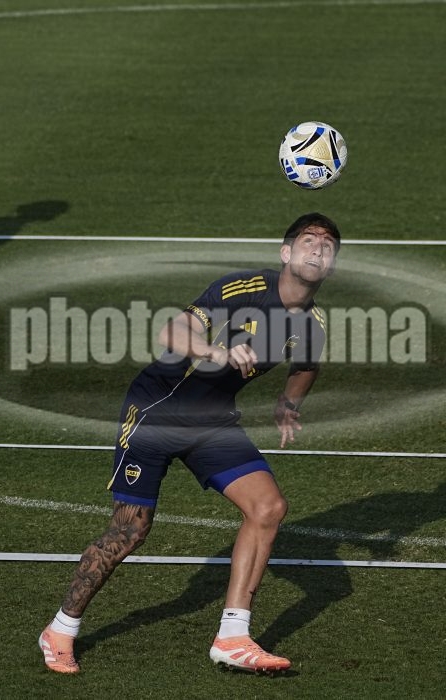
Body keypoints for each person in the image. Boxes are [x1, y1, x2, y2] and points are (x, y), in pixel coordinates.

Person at [39, 211, 341, 675]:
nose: (318, 248)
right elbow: (172, 331)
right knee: (130, 530)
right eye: (308, 240)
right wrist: (215, 350)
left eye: (327, 244)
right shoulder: (243, 290)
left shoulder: (313, 322)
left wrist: (288, 404)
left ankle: (233, 637)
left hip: (212, 420)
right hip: (157, 410)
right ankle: (60, 628)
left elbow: (306, 366)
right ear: (285, 253)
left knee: (268, 507)